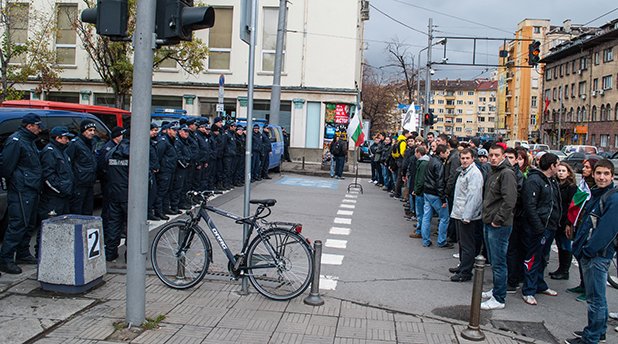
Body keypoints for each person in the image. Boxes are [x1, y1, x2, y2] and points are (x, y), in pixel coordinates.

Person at [566, 159, 618, 344]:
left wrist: (588, 251)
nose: (602, 177)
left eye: (606, 174)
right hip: (592, 254)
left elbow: (606, 231)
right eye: (599, 173)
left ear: (612, 176)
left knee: (595, 299)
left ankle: (592, 337)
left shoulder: (613, 198)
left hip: (597, 256)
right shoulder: (598, 194)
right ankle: (598, 331)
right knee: (597, 297)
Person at [0, 114, 44, 274]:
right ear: (29, 126)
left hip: (31, 188)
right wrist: (18, 183)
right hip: (21, 189)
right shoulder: (16, 141)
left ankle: (23, 253)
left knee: (29, 223)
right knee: (18, 223)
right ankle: (5, 259)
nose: (40, 129)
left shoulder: (29, 141)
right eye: (37, 126)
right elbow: (6, 166)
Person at [480, 144, 518, 310]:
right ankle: (496, 289)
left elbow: (509, 200)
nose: (493, 158)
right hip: (490, 221)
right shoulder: (494, 171)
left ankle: (499, 298)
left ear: (503, 156)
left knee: (498, 262)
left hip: (499, 225)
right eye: (491, 155)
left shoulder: (506, 173)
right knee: (494, 261)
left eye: (496, 155)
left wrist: (498, 219)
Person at [520, 153, 561, 306]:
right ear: (552, 166)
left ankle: (539, 284)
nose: (559, 167)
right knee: (532, 258)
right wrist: (538, 227)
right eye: (558, 164)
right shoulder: (534, 180)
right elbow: (530, 206)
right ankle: (528, 290)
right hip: (537, 228)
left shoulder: (551, 180)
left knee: (543, 258)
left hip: (549, 226)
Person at [567, 157, 599, 302]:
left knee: (588, 259)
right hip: (579, 223)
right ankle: (582, 283)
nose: (584, 169)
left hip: (590, 227)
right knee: (579, 255)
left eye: (587, 167)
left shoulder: (596, 189)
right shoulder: (583, 185)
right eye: (584, 167)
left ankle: (589, 290)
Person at [449, 148, 484, 282]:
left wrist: (467, 216)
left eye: (467, 158)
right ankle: (462, 266)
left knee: (468, 245)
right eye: (462, 158)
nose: (464, 161)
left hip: (466, 215)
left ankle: (465, 272)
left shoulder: (474, 174)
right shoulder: (463, 172)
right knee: (462, 243)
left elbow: (473, 196)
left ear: (472, 158)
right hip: (459, 212)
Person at [102, 138, 130, 261]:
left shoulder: (110, 153)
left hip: (113, 193)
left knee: (113, 223)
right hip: (129, 195)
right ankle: (130, 255)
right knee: (132, 225)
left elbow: (104, 169)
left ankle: (110, 253)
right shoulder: (133, 153)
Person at [39, 126, 74, 221]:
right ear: (57, 138)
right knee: (50, 226)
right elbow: (47, 176)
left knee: (62, 224)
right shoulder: (50, 152)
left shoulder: (62, 151)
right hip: (53, 197)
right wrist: (60, 189)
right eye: (65, 138)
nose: (67, 141)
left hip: (63, 196)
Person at [549, 162, 577, 280]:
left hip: (566, 221)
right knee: (560, 246)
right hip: (556, 221)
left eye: (563, 171)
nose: (560, 173)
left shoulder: (571, 187)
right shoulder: (554, 184)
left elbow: (572, 207)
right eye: (559, 171)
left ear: (568, 173)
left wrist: (568, 223)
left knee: (565, 246)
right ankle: (561, 269)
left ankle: (564, 270)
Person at [420, 144, 451, 248]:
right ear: (441, 153)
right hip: (435, 193)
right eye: (447, 152)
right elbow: (439, 182)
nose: (448, 154)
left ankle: (425, 240)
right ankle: (441, 241)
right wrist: (443, 199)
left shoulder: (431, 160)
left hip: (427, 191)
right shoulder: (439, 164)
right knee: (444, 217)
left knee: (426, 216)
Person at [66, 119, 98, 215]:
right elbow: (68, 163)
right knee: (77, 212)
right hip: (79, 184)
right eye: (89, 130)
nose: (92, 133)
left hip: (89, 182)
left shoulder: (92, 143)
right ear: (83, 131)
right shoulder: (75, 144)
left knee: (88, 211)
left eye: (93, 130)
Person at [154, 122, 178, 218]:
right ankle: (158, 211)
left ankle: (166, 208)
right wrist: (159, 168)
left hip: (171, 169)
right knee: (162, 191)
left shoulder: (171, 140)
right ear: (168, 130)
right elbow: (158, 156)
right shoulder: (163, 141)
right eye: (173, 130)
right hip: (164, 170)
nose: (175, 132)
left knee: (168, 190)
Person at [410, 145, 429, 238]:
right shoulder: (425, 162)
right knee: (423, 213)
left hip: (420, 192)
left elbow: (420, 179)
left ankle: (419, 231)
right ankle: (421, 229)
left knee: (420, 213)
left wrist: (416, 190)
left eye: (415, 152)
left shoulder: (423, 163)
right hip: (422, 191)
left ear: (418, 153)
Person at [148, 123, 161, 221]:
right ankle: (148, 212)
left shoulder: (153, 142)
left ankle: (150, 212)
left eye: (156, 130)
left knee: (153, 193)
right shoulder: (145, 142)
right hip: (148, 172)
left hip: (152, 171)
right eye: (153, 130)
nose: (155, 132)